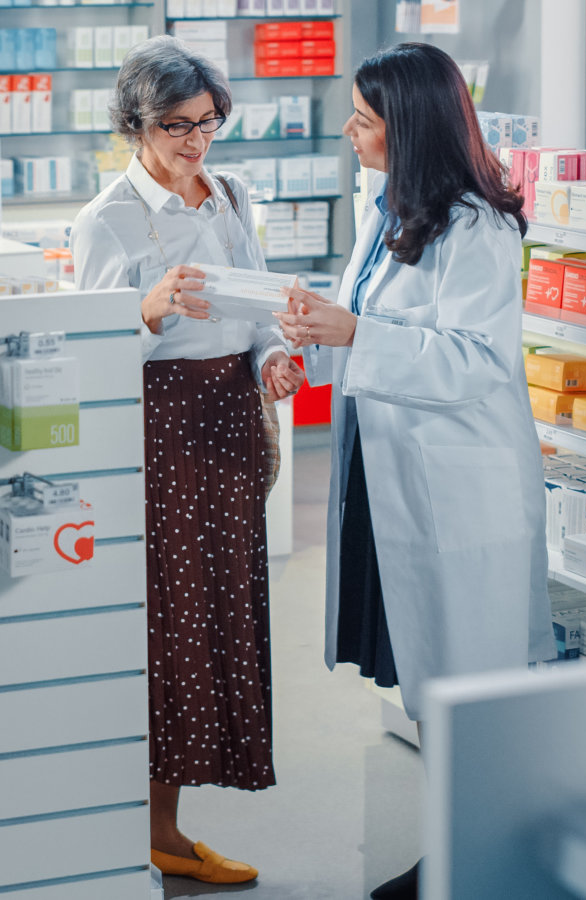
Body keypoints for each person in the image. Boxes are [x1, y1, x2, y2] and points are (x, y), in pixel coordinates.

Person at [275, 42, 556, 900]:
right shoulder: (394, 207)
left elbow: (471, 360)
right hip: (395, 486)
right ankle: (457, 853)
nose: (350, 133)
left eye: (364, 119)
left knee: (465, 689)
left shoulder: (475, 224)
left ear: (411, 127)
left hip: (455, 498)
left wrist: (351, 334)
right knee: (432, 683)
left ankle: (477, 862)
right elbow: (372, 321)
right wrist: (315, 339)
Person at [70, 34, 304, 886]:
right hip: (159, 434)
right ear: (135, 123)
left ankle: (170, 824)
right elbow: (93, 356)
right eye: (177, 125)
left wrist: (272, 354)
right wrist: (147, 311)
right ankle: (153, 830)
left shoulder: (230, 194)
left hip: (231, 421)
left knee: (221, 617)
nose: (196, 142)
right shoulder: (106, 219)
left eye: (209, 123)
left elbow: (261, 306)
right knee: (167, 628)